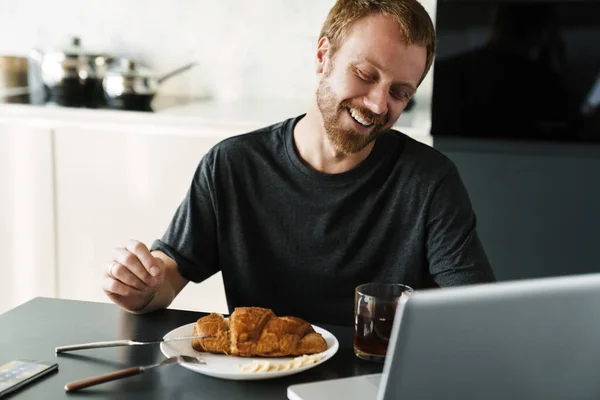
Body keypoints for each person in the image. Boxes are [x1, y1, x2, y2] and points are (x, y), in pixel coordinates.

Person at [102, 0, 495, 326]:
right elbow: (168, 277)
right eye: (364, 74)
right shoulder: (233, 165)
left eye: (399, 92)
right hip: (258, 379)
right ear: (323, 56)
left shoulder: (430, 180)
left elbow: (475, 311)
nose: (378, 104)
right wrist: (142, 288)